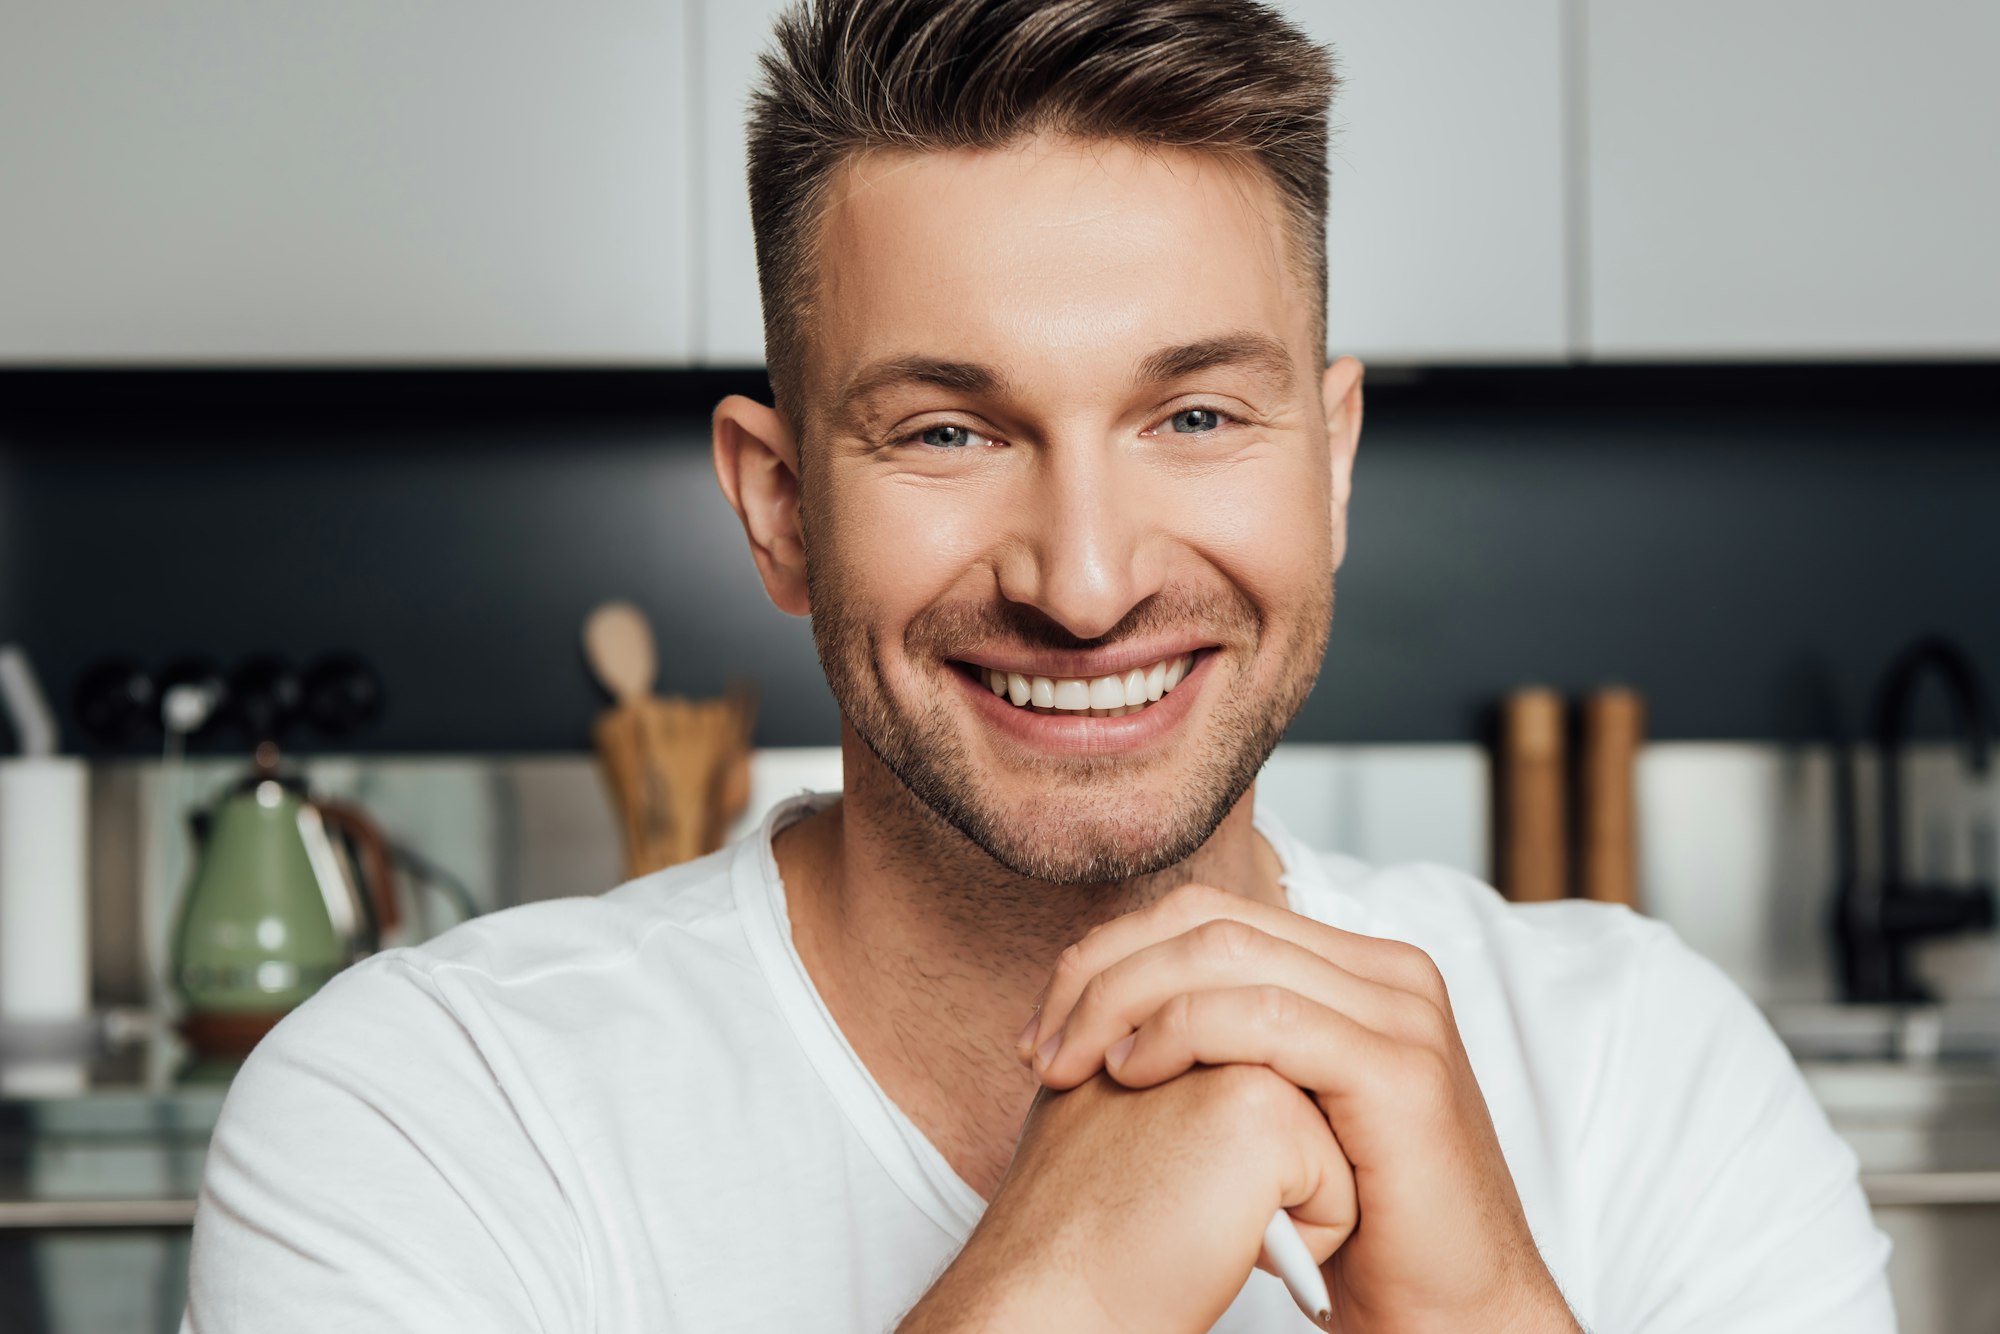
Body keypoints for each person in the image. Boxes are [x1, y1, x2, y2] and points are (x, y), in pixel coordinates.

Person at [181, 2, 1896, 1330]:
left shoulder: (1642, 1068)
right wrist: (1051, 1291)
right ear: (780, 509)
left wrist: (1476, 1310)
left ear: (1336, 458)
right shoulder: (426, 1116)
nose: (1085, 581)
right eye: (948, 427)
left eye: (1198, 414)